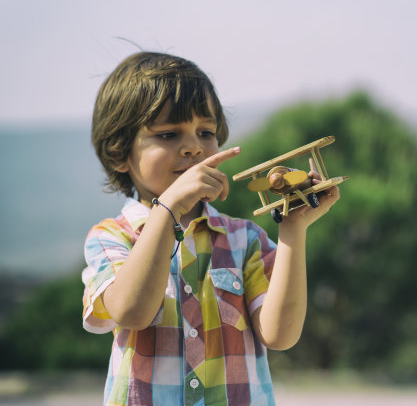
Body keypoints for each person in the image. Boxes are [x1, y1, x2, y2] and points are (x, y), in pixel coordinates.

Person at [81, 51, 339, 406]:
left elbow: (280, 334)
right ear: (120, 154)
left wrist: (292, 231)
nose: (193, 147)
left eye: (206, 132)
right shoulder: (113, 236)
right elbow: (132, 312)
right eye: (169, 134)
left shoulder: (245, 239)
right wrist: (167, 209)